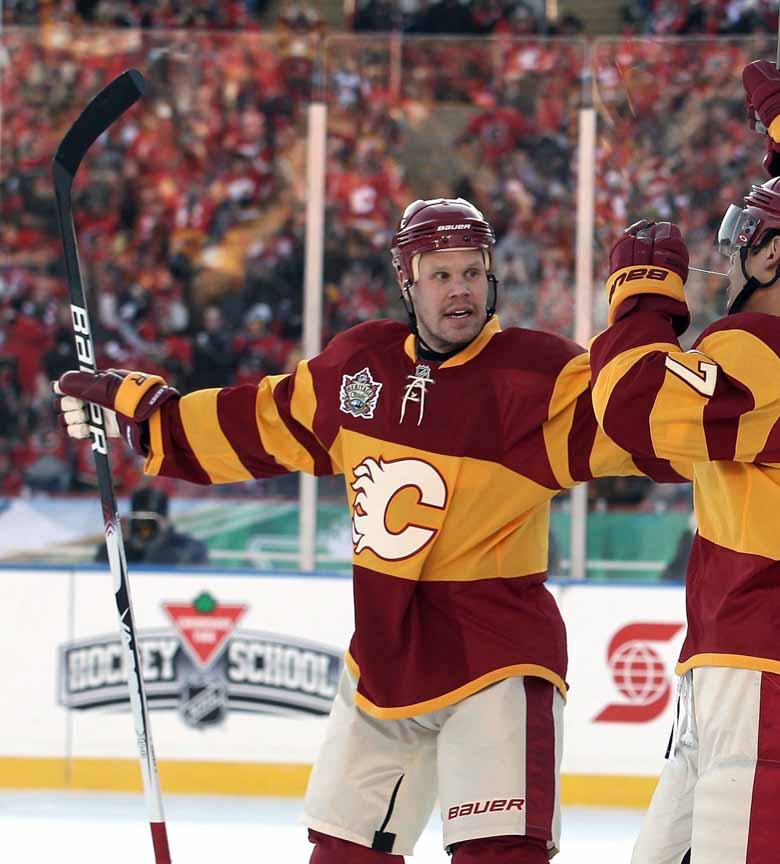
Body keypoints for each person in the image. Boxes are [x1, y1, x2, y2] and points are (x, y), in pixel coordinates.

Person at [55, 197, 687, 863]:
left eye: (472, 273)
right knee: (342, 853)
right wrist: (147, 419)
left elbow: (652, 420)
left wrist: (649, 316)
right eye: (440, 276)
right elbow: (263, 423)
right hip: (385, 662)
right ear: (407, 283)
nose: (460, 291)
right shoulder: (360, 366)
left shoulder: (538, 377)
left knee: (500, 854)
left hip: (497, 661)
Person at [587, 58, 780, 864]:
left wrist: (643, 298)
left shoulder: (762, 347)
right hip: (732, 660)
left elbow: (637, 411)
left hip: (760, 661)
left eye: (743, 243)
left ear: (770, 257)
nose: (727, 260)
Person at [94, 486, 208, 566]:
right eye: (139, 521)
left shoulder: (188, 550)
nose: (144, 528)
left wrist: (155, 546)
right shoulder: (113, 551)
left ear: (165, 521)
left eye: (150, 521)